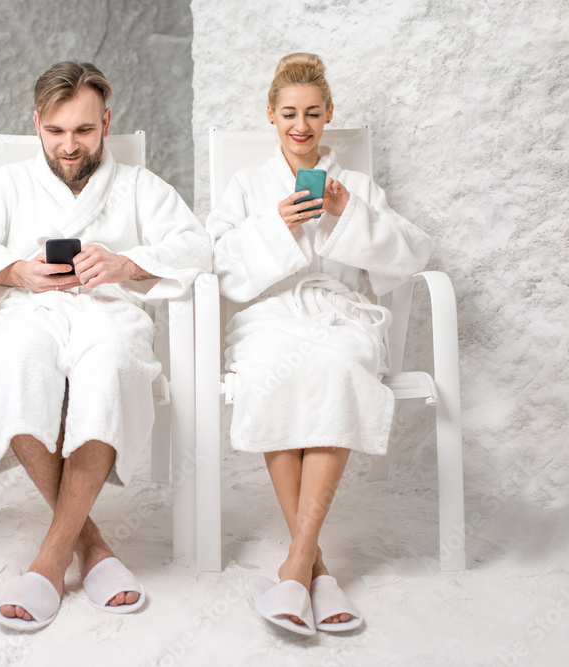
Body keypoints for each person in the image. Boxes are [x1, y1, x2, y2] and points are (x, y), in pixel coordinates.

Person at [0, 61, 211, 631]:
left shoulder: (138, 186)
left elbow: (196, 246)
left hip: (109, 312)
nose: (69, 144)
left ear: (106, 122)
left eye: (83, 130)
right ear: (36, 124)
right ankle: (90, 544)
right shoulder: (9, 184)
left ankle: (50, 559)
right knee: (11, 362)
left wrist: (126, 262)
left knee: (109, 368)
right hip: (30, 311)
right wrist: (15, 271)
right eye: (56, 131)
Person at [207, 53, 433, 636]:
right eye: (289, 113)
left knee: (338, 365)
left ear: (328, 114)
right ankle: (316, 568)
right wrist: (272, 227)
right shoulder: (247, 186)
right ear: (271, 116)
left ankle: (295, 563)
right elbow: (220, 266)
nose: (300, 125)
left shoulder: (356, 185)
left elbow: (410, 255)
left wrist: (345, 213)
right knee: (273, 373)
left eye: (312, 113)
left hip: (339, 314)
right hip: (269, 317)